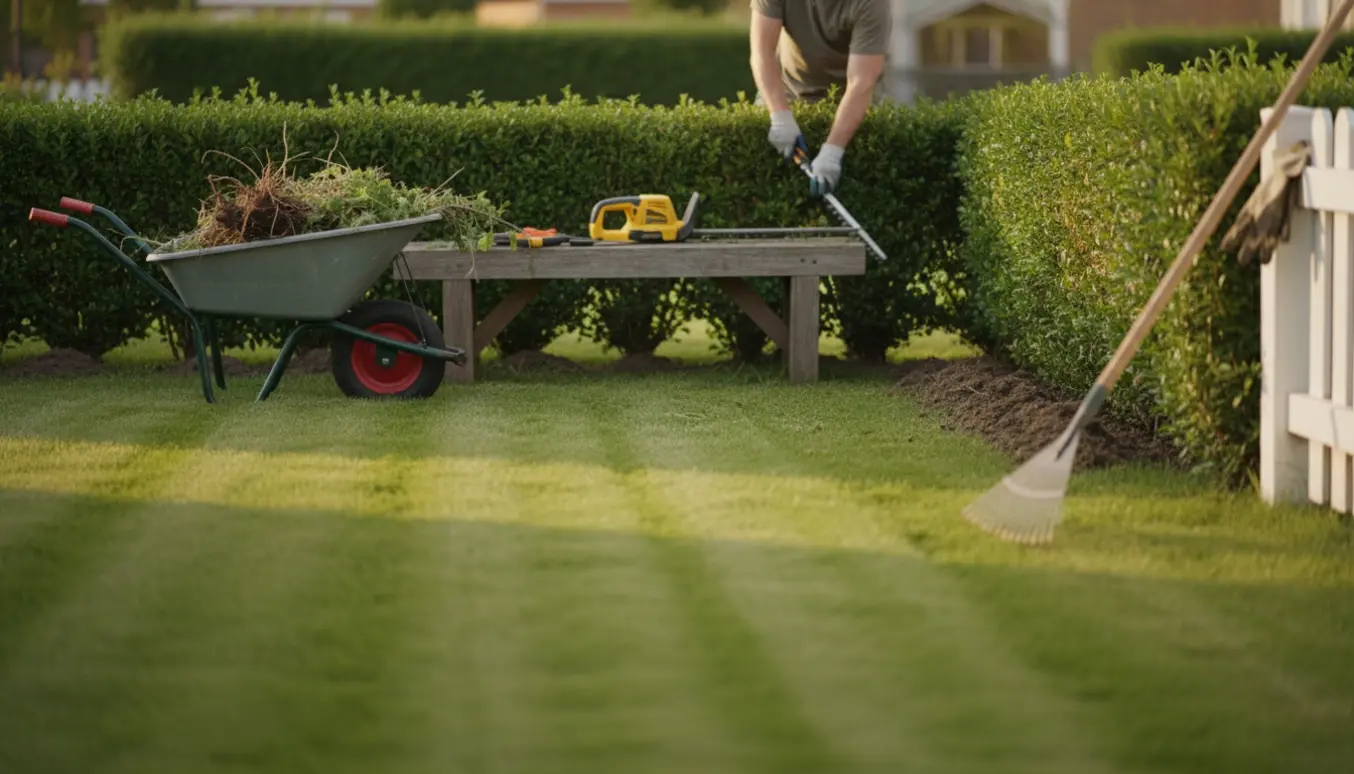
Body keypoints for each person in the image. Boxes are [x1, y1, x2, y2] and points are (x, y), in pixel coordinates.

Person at [748, 0, 891, 197]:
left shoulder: (872, 4)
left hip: (849, 104)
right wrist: (780, 116)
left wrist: (833, 151)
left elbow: (862, 82)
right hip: (786, 93)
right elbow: (762, 53)